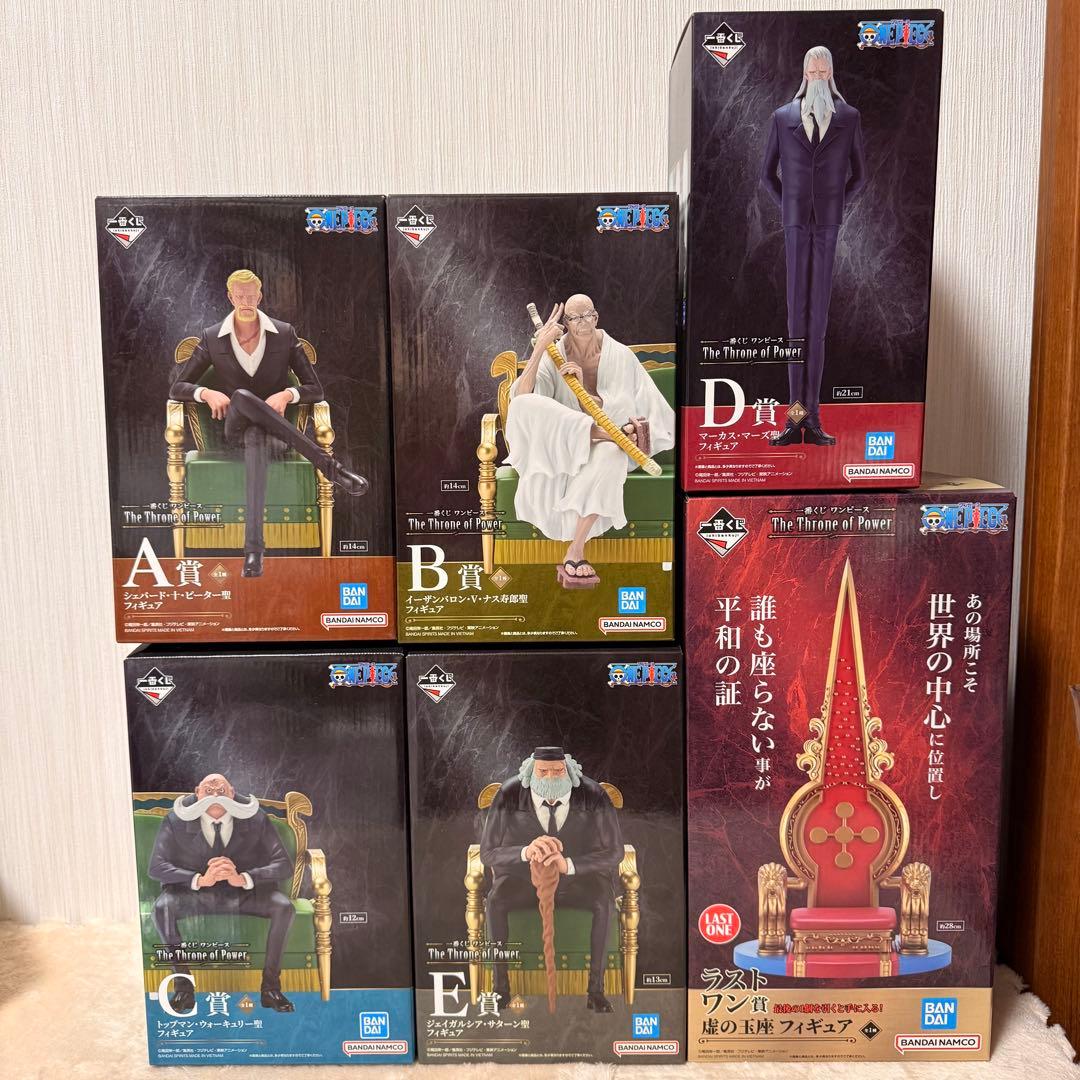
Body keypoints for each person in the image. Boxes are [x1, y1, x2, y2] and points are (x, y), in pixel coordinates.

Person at [170, 269, 367, 577]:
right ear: (230, 297)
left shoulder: (284, 334)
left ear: (259, 296)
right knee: (242, 397)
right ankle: (330, 467)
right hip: (232, 433)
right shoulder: (212, 336)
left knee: (257, 436)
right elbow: (178, 387)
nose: (246, 301)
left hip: (274, 438)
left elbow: (315, 390)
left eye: (252, 296)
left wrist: (288, 394)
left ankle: (253, 553)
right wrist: (205, 393)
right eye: (240, 296)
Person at [504, 294, 674, 587]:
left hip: (610, 444)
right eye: (574, 318)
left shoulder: (620, 356)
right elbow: (522, 397)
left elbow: (619, 411)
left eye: (587, 315)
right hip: (569, 442)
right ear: (566, 323)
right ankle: (603, 435)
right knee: (523, 405)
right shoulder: (555, 353)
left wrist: (582, 387)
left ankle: (576, 550)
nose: (582, 322)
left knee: (611, 454)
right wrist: (541, 347)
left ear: (596, 316)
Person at [761, 45, 867, 447]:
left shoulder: (848, 117)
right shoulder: (782, 117)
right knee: (795, 320)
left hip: (827, 225)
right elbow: (767, 175)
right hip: (795, 225)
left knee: (817, 321)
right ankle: (794, 420)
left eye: (824, 71)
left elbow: (859, 175)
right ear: (804, 73)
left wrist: (835, 205)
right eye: (813, 70)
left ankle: (815, 418)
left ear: (831, 74)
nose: (818, 76)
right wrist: (790, 206)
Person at [479, 747, 624, 1012]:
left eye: (557, 771)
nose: (550, 777)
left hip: (578, 878)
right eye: (542, 771)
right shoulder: (509, 793)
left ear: (569, 771)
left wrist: (568, 864)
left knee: (604, 901)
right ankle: (501, 990)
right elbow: (488, 852)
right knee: (496, 901)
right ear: (530, 772)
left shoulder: (593, 794)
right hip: (523, 879)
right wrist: (526, 851)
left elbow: (615, 852)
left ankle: (596, 992)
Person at [148, 773, 297, 1013]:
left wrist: (243, 877)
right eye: (208, 791)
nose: (215, 796)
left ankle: (271, 989)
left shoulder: (256, 819)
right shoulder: (175, 821)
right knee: (162, 908)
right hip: (195, 894)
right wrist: (199, 879)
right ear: (197, 793)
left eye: (222, 791)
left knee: (284, 907)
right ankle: (184, 990)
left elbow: (283, 865)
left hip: (244, 894)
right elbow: (157, 866)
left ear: (232, 793)